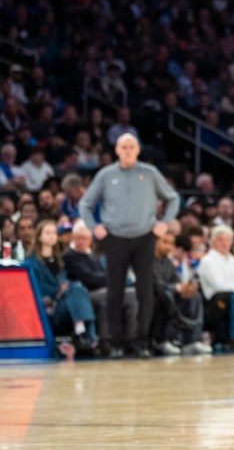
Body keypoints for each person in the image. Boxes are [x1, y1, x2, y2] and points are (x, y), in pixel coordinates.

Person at [79, 133, 180, 357]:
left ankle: (142, 341)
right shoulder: (106, 175)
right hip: (115, 238)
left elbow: (173, 198)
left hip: (145, 237)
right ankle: (117, 343)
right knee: (114, 291)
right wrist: (94, 226)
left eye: (131, 146)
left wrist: (164, 223)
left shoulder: (150, 173)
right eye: (123, 147)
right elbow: (85, 204)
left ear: (138, 150)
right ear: (116, 150)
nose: (127, 150)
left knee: (146, 291)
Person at [64, 222, 142, 356]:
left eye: (85, 238)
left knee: (133, 295)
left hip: (105, 289)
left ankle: (132, 339)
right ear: (73, 238)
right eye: (79, 237)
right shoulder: (70, 256)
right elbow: (88, 277)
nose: (82, 241)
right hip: (83, 296)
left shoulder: (95, 256)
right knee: (108, 295)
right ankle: (107, 342)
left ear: (91, 239)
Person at [24, 220, 97, 358]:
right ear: (39, 236)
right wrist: (57, 291)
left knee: (77, 287)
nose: (52, 236)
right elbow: (36, 290)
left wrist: (63, 289)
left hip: (64, 303)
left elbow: (66, 283)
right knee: (76, 289)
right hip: (48, 308)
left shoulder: (60, 260)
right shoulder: (31, 263)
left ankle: (81, 332)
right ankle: (85, 334)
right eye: (48, 233)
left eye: (54, 233)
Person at [152, 231, 210, 355]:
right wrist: (177, 288)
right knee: (166, 296)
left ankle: (192, 341)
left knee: (195, 296)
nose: (168, 247)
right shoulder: (147, 261)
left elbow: (176, 281)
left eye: (171, 243)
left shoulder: (168, 262)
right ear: (155, 242)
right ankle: (165, 340)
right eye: (164, 242)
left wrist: (187, 288)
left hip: (170, 292)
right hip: (155, 295)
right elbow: (155, 284)